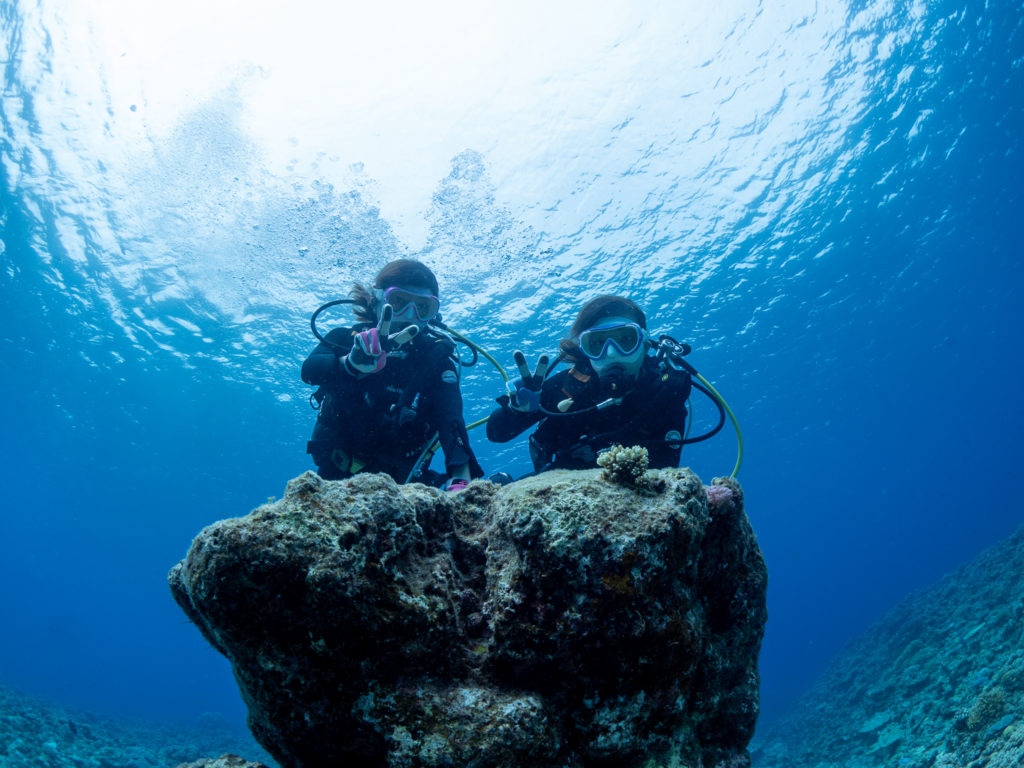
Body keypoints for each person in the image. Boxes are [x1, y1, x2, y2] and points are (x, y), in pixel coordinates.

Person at [302, 259, 483, 490]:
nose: (409, 315)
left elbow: (451, 420)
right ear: (376, 300)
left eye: (422, 307)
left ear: (433, 314)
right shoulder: (347, 339)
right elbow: (309, 371)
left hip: (405, 483)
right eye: (398, 302)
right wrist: (350, 363)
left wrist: (461, 480)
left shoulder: (437, 362)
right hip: (337, 478)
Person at [486, 294, 693, 473]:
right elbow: (497, 434)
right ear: (585, 351)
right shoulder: (569, 386)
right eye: (597, 344)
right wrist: (518, 412)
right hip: (559, 485)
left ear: (645, 344)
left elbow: (666, 470)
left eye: (625, 341)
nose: (611, 354)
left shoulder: (664, 392)